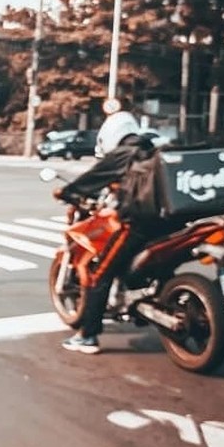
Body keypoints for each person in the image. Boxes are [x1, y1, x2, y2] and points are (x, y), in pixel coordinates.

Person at [54, 110, 157, 355]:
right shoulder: (152, 150)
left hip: (138, 225)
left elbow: (93, 178)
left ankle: (88, 336)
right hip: (169, 223)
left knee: (99, 275)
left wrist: (66, 192)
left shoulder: (124, 153)